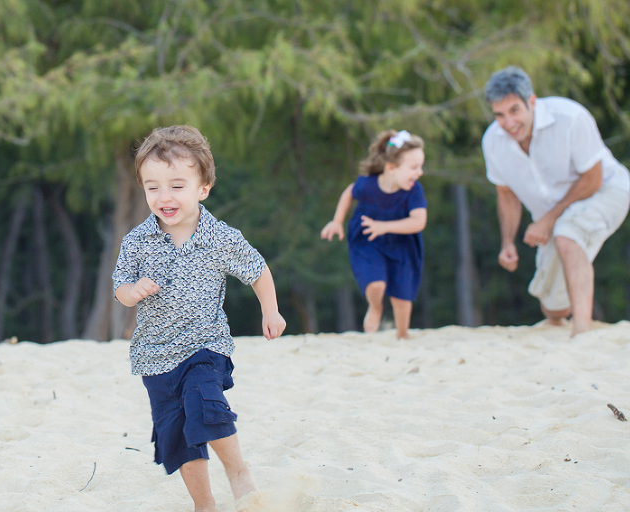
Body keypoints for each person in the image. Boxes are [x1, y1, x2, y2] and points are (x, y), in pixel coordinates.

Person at [112, 125, 286, 512]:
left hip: (204, 345)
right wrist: (133, 291)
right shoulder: (137, 242)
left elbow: (257, 269)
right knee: (178, 436)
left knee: (205, 408)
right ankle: (204, 505)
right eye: (152, 187)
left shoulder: (219, 237)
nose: (164, 196)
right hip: (154, 357)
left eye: (177, 185)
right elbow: (120, 288)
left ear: (203, 188)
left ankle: (238, 472)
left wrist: (270, 310)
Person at [482, 66, 630, 337]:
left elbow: (593, 179)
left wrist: (549, 220)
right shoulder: (493, 142)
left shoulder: (570, 117)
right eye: (499, 115)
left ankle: (582, 332)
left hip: (607, 191)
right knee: (553, 308)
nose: (508, 123)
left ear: (532, 101)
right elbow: (506, 194)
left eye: (514, 110)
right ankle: (563, 316)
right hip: (555, 215)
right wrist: (507, 242)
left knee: (567, 235)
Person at [321, 129, 428, 339]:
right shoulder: (368, 185)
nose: (420, 173)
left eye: (420, 167)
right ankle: (375, 306)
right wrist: (337, 221)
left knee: (401, 298)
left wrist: (385, 227)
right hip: (368, 239)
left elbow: (419, 222)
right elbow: (349, 193)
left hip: (403, 244)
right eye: (414, 168)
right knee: (376, 283)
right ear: (390, 167)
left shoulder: (414, 191)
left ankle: (402, 334)